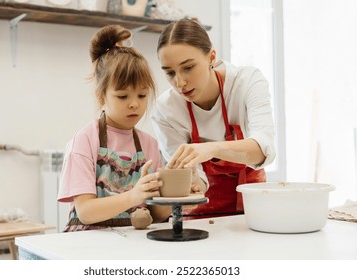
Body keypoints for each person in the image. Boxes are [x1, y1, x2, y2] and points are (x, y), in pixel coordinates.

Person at [151, 18, 276, 218]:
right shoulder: (166, 110)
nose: (180, 82)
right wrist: (193, 182)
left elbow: (263, 150)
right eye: (170, 73)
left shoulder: (247, 83)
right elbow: (194, 180)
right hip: (201, 213)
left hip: (255, 207)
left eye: (188, 67)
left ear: (211, 57)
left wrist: (211, 148)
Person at [57, 25, 171, 231]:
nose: (134, 104)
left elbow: (157, 215)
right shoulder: (85, 140)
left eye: (142, 95)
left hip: (131, 243)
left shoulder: (149, 145)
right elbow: (86, 212)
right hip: (88, 243)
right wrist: (133, 196)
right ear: (102, 96)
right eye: (123, 96)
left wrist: (172, 194)